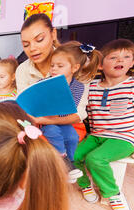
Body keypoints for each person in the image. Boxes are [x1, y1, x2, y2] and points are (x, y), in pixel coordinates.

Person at [74, 39, 134, 210]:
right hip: (98, 135)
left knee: (95, 159)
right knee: (74, 155)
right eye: (114, 57)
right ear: (100, 65)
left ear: (132, 62)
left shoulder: (133, 84)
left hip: (125, 137)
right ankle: (85, 185)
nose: (120, 61)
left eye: (126, 57)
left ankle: (113, 194)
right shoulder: (91, 87)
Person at [32, 41, 102, 182]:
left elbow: (70, 109)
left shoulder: (77, 87)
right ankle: (64, 163)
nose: (54, 69)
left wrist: (53, 110)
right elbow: (36, 102)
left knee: (72, 137)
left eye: (60, 66)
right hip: (46, 123)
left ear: (74, 68)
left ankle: (70, 165)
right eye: (52, 65)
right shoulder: (43, 82)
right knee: (52, 132)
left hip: (63, 121)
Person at [16, 13, 60, 93]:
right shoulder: (22, 70)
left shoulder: (73, 60)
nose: (32, 48)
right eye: (26, 45)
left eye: (39, 39)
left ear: (53, 34)